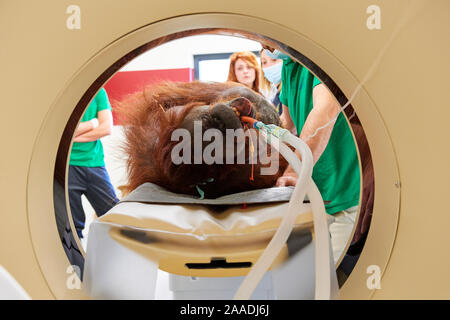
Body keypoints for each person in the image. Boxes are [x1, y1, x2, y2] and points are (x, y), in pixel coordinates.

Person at [262, 46, 361, 263]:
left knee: (326, 282)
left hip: (343, 192)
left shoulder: (320, 57)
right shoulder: (289, 66)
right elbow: (286, 125)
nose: (267, 48)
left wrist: (296, 170)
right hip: (316, 194)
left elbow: (324, 111)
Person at [68, 87, 119, 240]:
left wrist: (72, 138)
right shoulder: (65, 94)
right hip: (67, 166)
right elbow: (63, 130)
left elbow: (106, 128)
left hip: (95, 164)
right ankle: (75, 262)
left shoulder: (99, 93)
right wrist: (92, 123)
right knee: (71, 225)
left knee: (114, 216)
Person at [259, 48, 283, 115]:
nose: (269, 66)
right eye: (264, 62)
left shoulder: (289, 92)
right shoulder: (276, 95)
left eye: (274, 59)